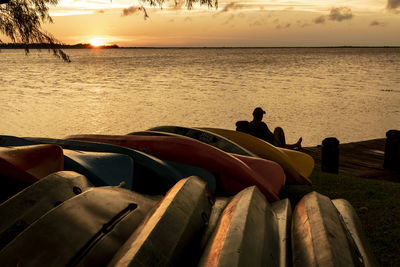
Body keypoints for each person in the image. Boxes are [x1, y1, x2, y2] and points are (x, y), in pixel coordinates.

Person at [237, 107, 302, 150]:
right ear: (261, 116)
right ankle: (294, 146)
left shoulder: (250, 125)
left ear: (253, 115)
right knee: (278, 129)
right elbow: (271, 136)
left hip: (262, 145)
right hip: (269, 147)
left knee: (279, 142)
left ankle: (294, 145)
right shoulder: (262, 125)